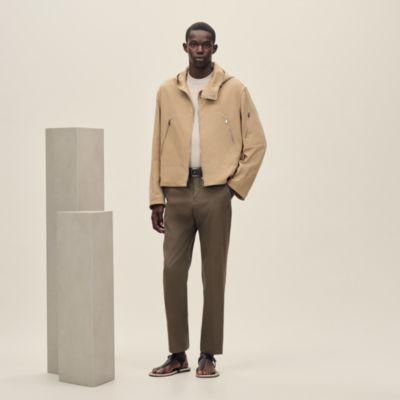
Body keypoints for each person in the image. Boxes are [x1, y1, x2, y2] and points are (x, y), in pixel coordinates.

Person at [148, 21, 267, 378]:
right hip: (177, 192)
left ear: (215, 48)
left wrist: (233, 187)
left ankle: (208, 355)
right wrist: (156, 197)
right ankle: (177, 354)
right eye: (193, 44)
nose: (199, 49)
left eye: (206, 44)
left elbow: (257, 142)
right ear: (184, 47)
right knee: (172, 272)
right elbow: (156, 145)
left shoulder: (235, 89)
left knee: (213, 275)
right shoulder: (167, 91)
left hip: (216, 192)